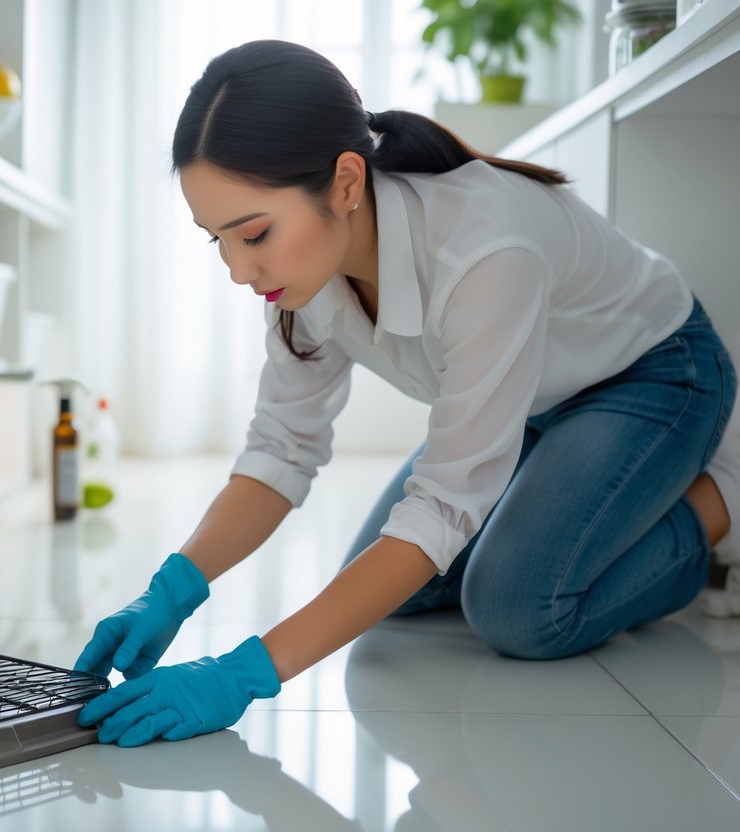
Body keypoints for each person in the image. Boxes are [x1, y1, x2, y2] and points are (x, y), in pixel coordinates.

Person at [74, 39, 740, 748]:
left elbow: (443, 506)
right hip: (534, 404)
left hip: (651, 375)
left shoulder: (482, 249)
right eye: (218, 242)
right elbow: (280, 450)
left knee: (516, 610)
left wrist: (243, 673)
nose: (240, 270)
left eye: (254, 233)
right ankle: (575, 491)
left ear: (346, 182)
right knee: (392, 591)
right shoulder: (300, 273)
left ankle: (714, 500)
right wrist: (172, 587)